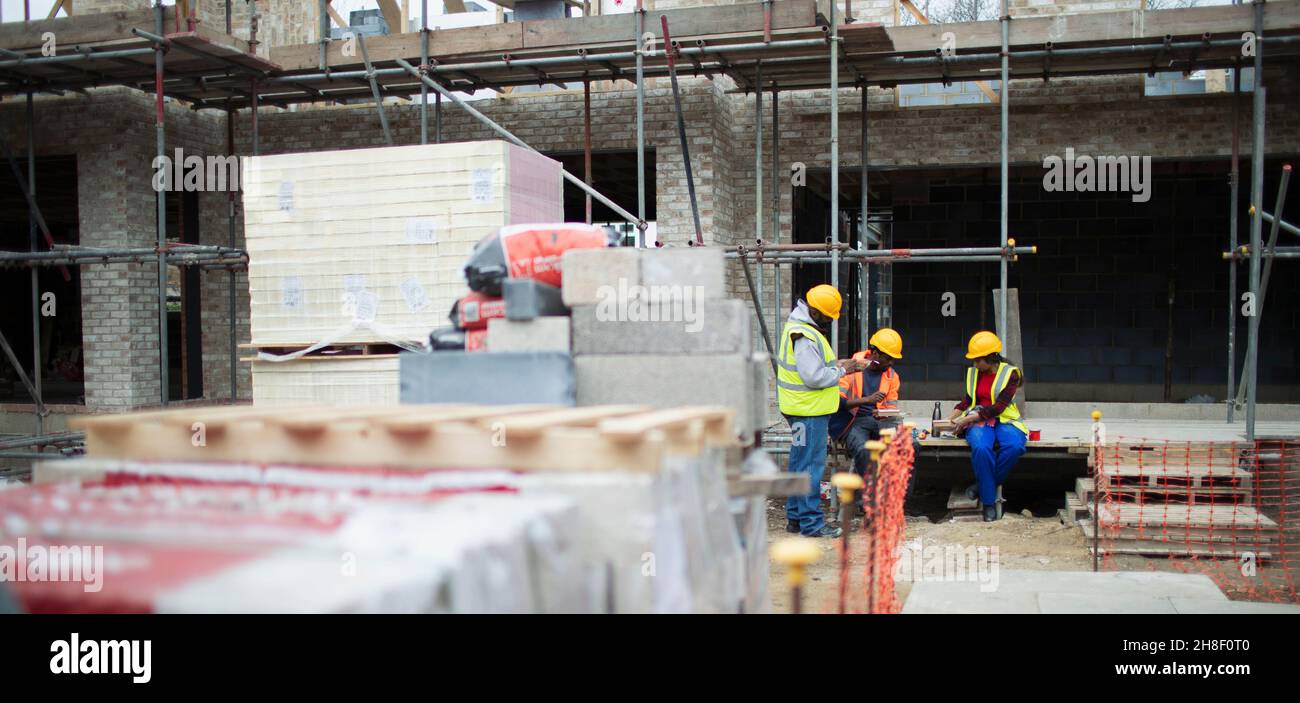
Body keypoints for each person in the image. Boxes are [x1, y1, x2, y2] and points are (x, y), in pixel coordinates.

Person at [778, 284, 865, 538]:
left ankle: (795, 518)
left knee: (798, 462)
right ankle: (812, 524)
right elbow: (814, 377)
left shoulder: (799, 329)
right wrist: (843, 371)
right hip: (810, 412)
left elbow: (812, 367)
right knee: (810, 467)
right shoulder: (803, 335)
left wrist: (837, 365)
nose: (829, 320)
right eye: (827, 316)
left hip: (799, 409)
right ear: (815, 312)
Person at [828, 328, 919, 514]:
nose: (892, 363)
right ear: (875, 353)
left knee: (911, 445)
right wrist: (866, 400)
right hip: (853, 420)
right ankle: (870, 502)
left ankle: (898, 499)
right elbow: (837, 402)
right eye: (888, 358)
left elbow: (891, 407)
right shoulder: (851, 367)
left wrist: (884, 412)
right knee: (863, 450)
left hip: (881, 421)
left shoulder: (892, 376)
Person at [943, 331, 1028, 522]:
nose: (974, 364)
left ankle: (980, 487)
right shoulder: (975, 373)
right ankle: (989, 503)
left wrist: (969, 419)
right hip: (978, 419)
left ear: (990, 358)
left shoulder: (1010, 374)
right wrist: (951, 417)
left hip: (1003, 417)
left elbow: (999, 406)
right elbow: (968, 400)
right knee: (981, 448)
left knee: (1014, 446)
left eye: (977, 360)